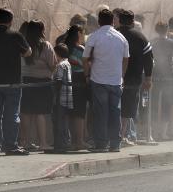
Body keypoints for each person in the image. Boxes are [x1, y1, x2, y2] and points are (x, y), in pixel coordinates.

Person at [0, 8, 32, 156]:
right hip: (12, 80)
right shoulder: (15, 35)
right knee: (11, 114)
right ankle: (10, 145)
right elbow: (27, 52)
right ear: (10, 20)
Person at [83, 8, 130, 151]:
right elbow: (126, 59)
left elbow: (85, 58)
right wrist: (121, 75)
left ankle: (101, 144)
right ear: (113, 21)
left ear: (99, 21)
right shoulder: (121, 38)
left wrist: (86, 75)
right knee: (115, 113)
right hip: (116, 81)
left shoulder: (94, 36)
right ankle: (115, 143)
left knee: (100, 113)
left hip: (98, 80)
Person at [116, 9, 153, 144]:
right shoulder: (140, 37)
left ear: (119, 21)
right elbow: (148, 59)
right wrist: (148, 78)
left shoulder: (114, 34)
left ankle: (115, 135)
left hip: (112, 78)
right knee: (127, 108)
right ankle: (121, 135)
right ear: (132, 22)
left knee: (114, 106)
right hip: (133, 79)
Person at [20, 20, 56, 151]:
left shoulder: (24, 44)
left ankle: (26, 142)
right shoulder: (45, 45)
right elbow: (53, 64)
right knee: (40, 112)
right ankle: (43, 142)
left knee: (27, 111)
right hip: (42, 82)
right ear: (41, 30)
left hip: (26, 81)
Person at [52, 43, 73, 152]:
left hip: (60, 98)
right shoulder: (68, 63)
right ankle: (66, 142)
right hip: (68, 98)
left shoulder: (60, 65)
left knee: (59, 121)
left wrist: (54, 92)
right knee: (65, 121)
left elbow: (59, 81)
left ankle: (59, 144)